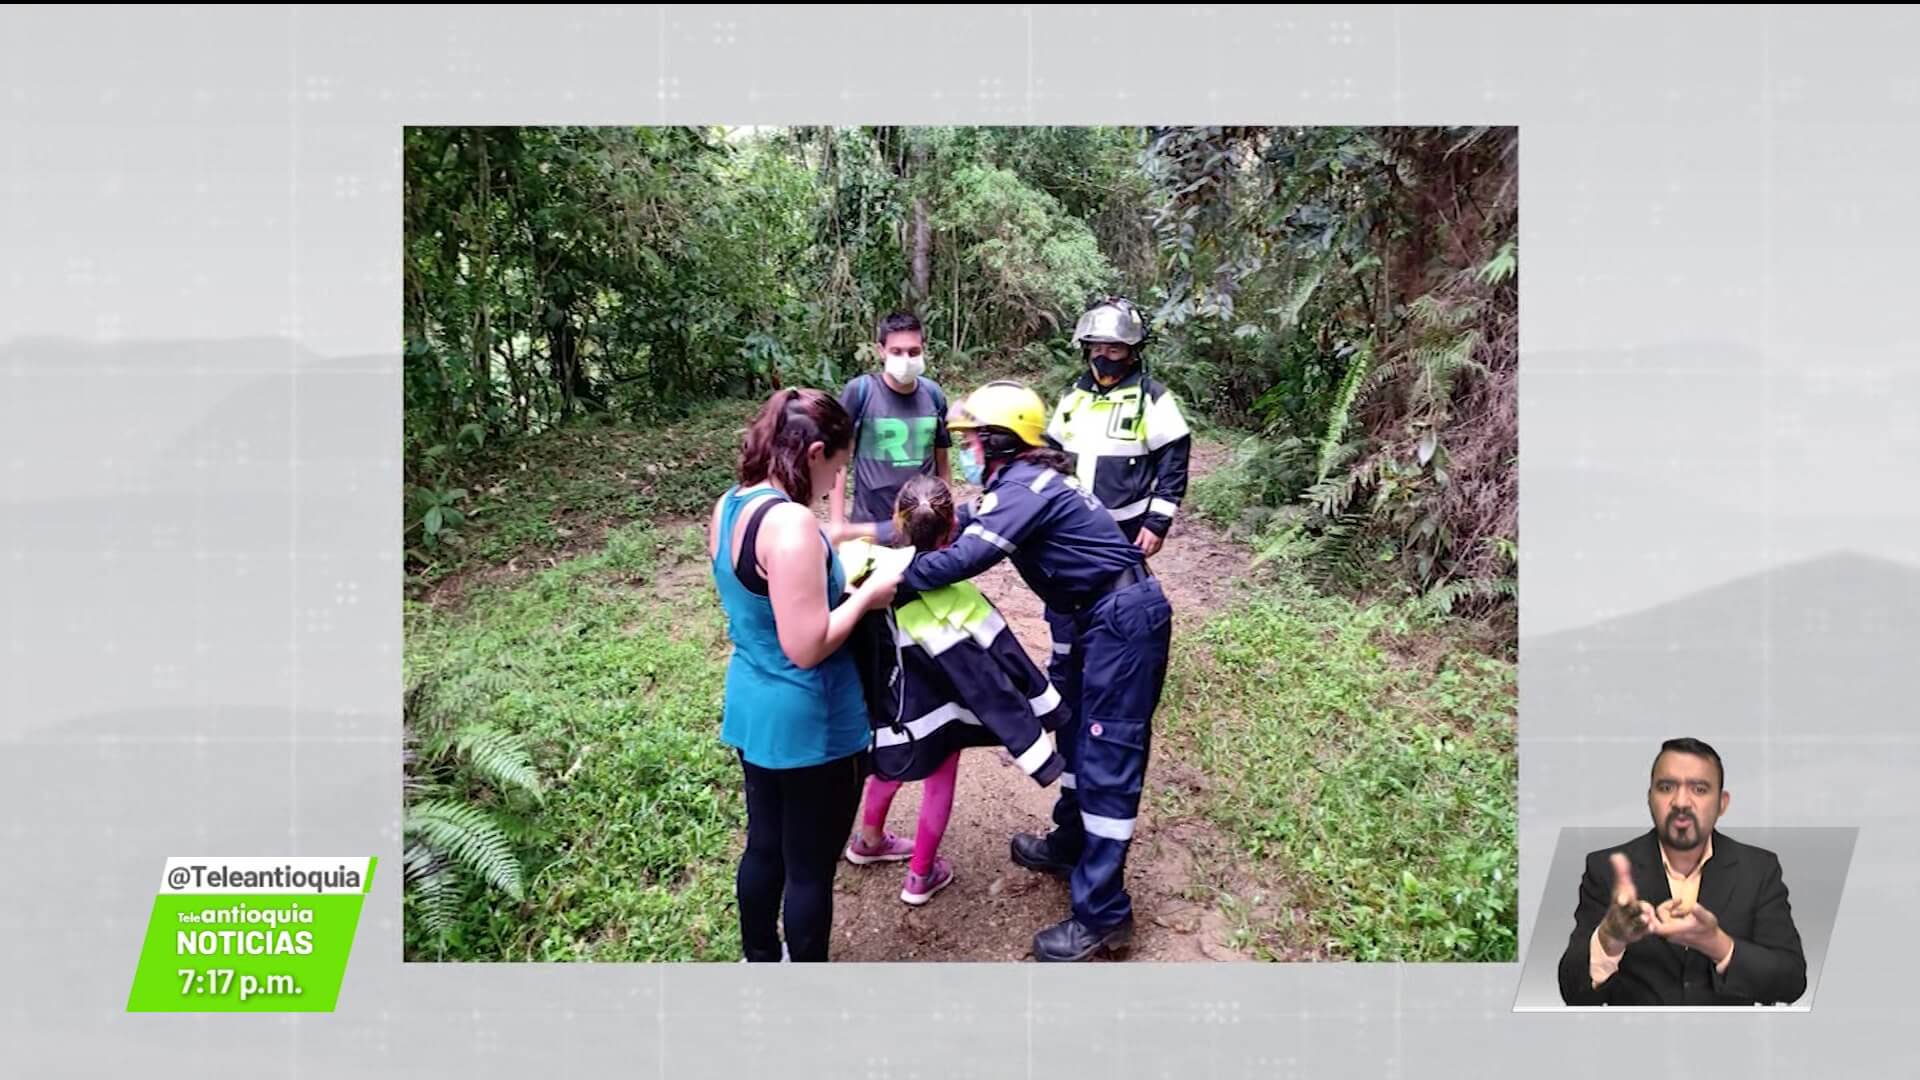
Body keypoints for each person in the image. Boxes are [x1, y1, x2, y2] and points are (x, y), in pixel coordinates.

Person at [890, 379, 1173, 962]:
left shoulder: (1027, 487)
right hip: (1092, 618)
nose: (965, 450)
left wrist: (891, 582)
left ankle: (1103, 917)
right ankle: (1071, 843)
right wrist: (865, 536)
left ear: (999, 441)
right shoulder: (1017, 485)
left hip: (1122, 622)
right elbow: (957, 520)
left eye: (971, 440)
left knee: (1107, 757)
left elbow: (968, 555)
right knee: (1072, 730)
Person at [708, 387, 904, 962]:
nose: (830, 485)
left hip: (754, 705)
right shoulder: (791, 524)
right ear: (815, 451)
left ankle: (759, 960)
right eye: (836, 468)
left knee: (764, 847)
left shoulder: (731, 506)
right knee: (810, 869)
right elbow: (807, 646)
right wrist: (868, 595)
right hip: (810, 720)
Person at [836, 474, 1068, 907]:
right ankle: (920, 876)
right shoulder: (959, 598)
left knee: (889, 764)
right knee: (939, 779)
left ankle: (867, 840)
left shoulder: (864, 571)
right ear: (950, 532)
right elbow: (1002, 666)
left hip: (891, 706)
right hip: (941, 713)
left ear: (895, 519)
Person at [1556, 738, 1808, 1005]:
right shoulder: (1607, 869)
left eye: (1699, 789)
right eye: (1666, 787)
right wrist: (1609, 938)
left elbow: (1791, 981)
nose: (1681, 802)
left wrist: (1717, 944)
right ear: (1650, 797)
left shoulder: (1758, 869)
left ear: (1722, 803)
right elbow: (1573, 992)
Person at [1045, 296, 1192, 556]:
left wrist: (1157, 522)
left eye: (1114, 349)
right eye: (1096, 348)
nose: (1103, 356)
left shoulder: (1150, 397)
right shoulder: (1073, 397)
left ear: (1131, 352)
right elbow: (1050, 454)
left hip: (1127, 525)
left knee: (1123, 591)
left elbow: (1173, 463)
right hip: (1071, 520)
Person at [829, 311, 951, 547]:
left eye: (914, 351)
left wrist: (947, 514)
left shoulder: (933, 394)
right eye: (897, 351)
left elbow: (942, 460)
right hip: (868, 524)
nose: (906, 358)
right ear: (881, 351)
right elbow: (838, 461)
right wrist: (837, 524)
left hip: (922, 522)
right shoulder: (860, 392)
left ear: (923, 349)